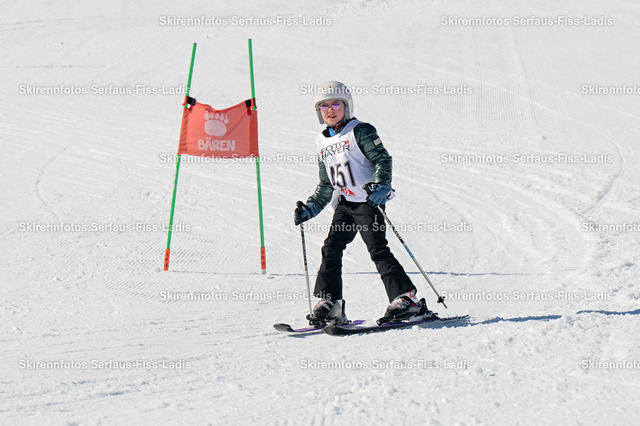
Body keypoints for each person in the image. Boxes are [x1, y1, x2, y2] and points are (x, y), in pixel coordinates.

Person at [294, 80, 427, 327]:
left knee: (377, 249)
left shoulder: (360, 131)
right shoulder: (321, 142)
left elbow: (382, 159)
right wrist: (311, 207)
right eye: (324, 106)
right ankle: (331, 303)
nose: (330, 110)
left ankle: (406, 299)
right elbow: (326, 184)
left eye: (336, 104)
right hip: (344, 204)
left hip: (367, 201)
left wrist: (382, 185)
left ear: (347, 106)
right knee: (331, 248)